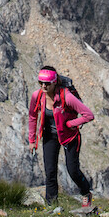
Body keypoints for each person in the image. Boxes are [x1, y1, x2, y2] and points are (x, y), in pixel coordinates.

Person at [28, 65, 94, 207]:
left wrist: (71, 124)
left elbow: (88, 115)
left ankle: (86, 192)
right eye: (41, 83)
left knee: (73, 170)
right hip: (49, 136)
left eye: (47, 83)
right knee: (50, 171)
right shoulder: (37, 96)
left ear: (55, 82)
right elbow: (32, 116)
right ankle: (52, 205)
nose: (44, 86)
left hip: (69, 137)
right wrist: (32, 140)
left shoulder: (66, 96)